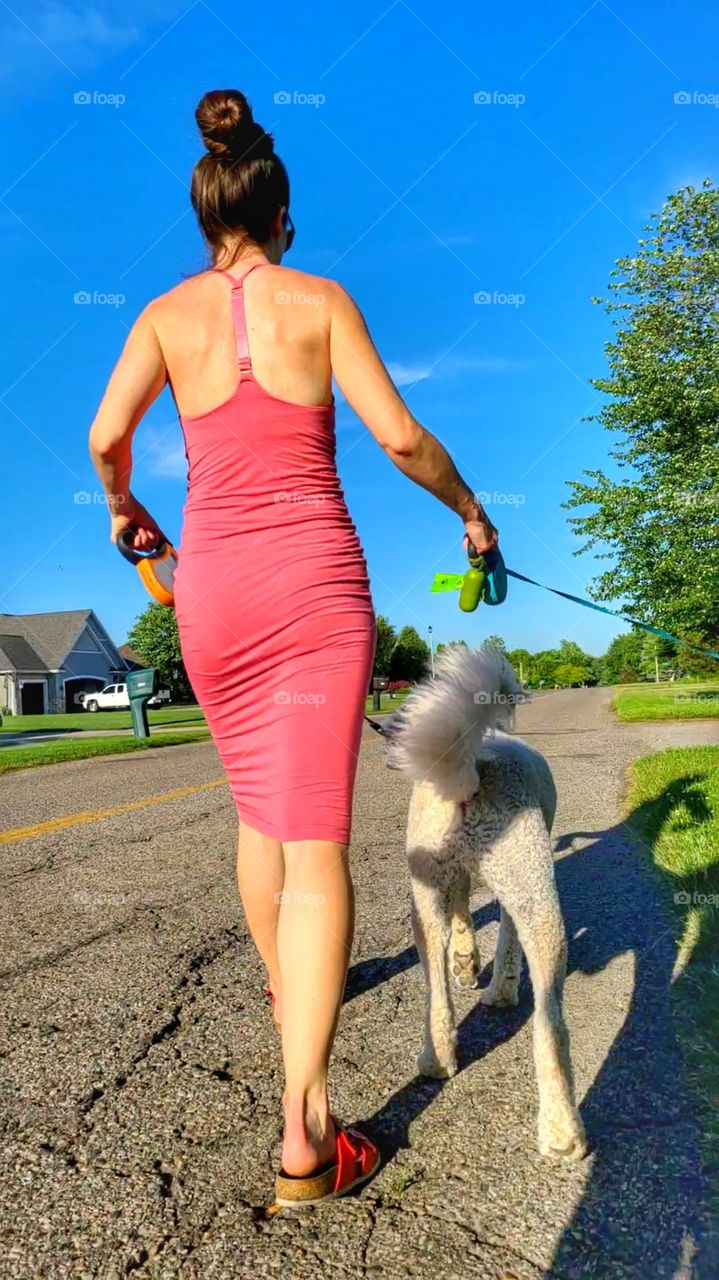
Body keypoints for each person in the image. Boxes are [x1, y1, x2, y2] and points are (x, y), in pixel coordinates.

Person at [89, 88, 497, 1207]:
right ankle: (307, 1133)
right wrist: (469, 508)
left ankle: (288, 996)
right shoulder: (318, 300)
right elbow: (401, 435)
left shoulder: (162, 318)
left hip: (211, 596)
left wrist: (127, 511)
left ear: (205, 213)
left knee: (259, 818)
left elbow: (103, 435)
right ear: (281, 216)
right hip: (313, 590)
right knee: (313, 841)